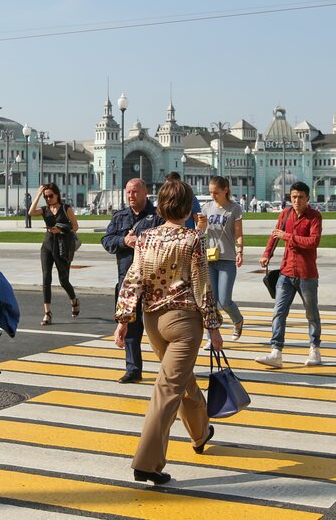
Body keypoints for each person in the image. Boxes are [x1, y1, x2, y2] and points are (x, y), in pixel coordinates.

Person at [114, 179, 222, 486]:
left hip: (152, 322)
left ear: (160, 207)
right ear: (188, 209)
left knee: (182, 383)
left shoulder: (145, 237)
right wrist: (213, 327)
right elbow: (202, 286)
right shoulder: (192, 239)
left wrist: (123, 319)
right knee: (167, 391)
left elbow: (133, 278)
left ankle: (201, 433)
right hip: (184, 322)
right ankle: (147, 463)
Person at [255, 181, 323, 368]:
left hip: (306, 273)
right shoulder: (285, 214)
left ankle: (314, 348)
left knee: (311, 312)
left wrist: (288, 237)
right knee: (279, 312)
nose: (296, 200)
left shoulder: (314, 217)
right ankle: (276, 351)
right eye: (293, 196)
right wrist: (267, 253)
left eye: (300, 197)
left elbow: (313, 242)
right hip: (286, 272)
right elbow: (274, 235)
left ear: (307, 198)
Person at [102, 179, 164, 383]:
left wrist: (142, 242)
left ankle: (169, 367)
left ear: (145, 192)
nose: (131, 195)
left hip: (153, 282)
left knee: (161, 328)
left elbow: (165, 243)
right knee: (130, 327)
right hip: (127, 283)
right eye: (128, 192)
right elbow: (107, 241)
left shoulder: (158, 217)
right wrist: (123, 241)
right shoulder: (119, 217)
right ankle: (133, 369)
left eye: (135, 191)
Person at [29, 182, 80, 325]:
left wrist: (62, 230)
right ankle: (47, 313)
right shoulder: (45, 209)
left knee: (63, 280)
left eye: (51, 196)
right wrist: (38, 194)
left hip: (62, 247)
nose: (49, 199)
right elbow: (30, 212)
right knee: (46, 278)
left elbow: (75, 226)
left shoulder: (66, 208)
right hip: (47, 246)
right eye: (46, 197)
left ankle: (74, 300)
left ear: (57, 194)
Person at [202, 176, 245, 342]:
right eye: (211, 192)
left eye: (216, 192)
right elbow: (202, 230)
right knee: (210, 302)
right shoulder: (207, 207)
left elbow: (239, 234)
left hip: (227, 258)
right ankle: (210, 337)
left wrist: (240, 251)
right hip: (209, 258)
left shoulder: (234, 209)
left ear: (225, 190)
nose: (213, 196)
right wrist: (200, 224)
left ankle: (238, 320)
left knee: (224, 300)